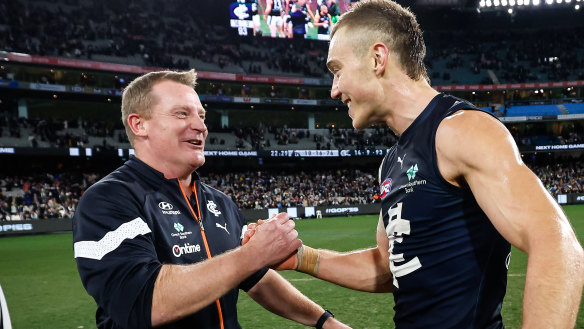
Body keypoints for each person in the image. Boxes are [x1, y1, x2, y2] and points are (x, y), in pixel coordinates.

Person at [245, 1, 584, 328]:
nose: (334, 90)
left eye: (337, 70)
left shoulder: (461, 131)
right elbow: (389, 266)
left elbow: (554, 241)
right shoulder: (390, 162)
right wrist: (302, 257)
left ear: (377, 58)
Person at [72, 70, 351, 329]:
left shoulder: (220, 203)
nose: (200, 126)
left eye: (202, 116)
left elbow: (258, 278)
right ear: (139, 124)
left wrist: (325, 322)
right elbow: (143, 302)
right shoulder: (107, 200)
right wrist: (253, 253)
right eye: (182, 114)